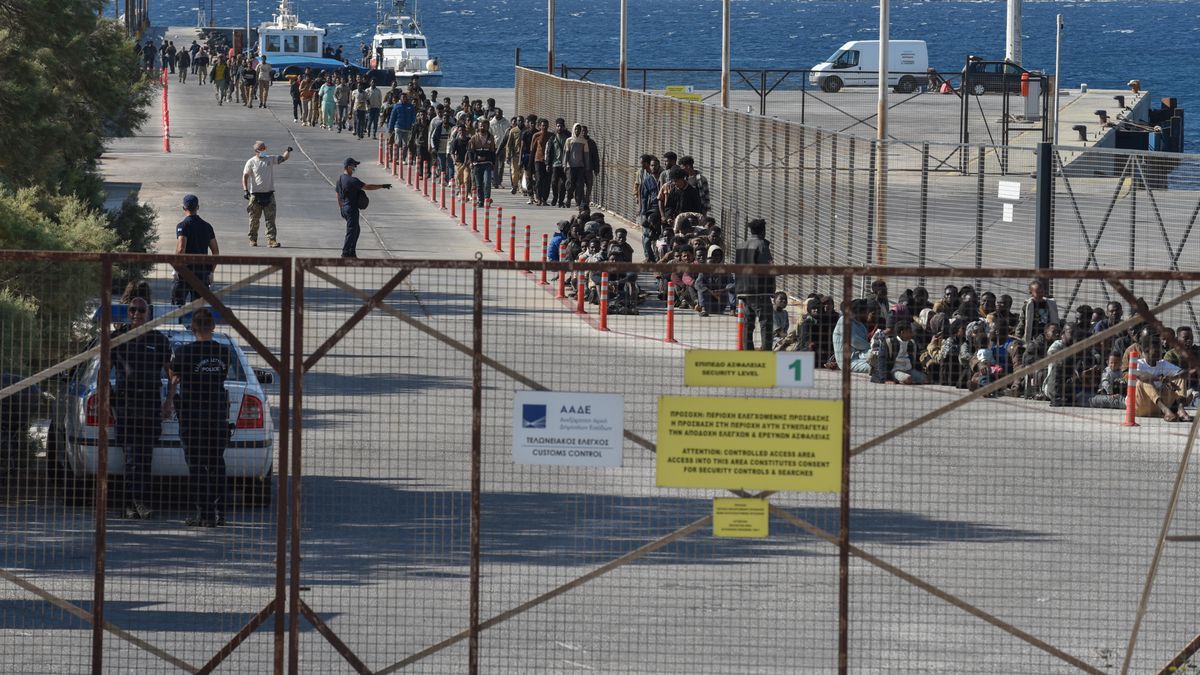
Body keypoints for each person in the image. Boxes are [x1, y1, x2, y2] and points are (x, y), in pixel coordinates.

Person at [165, 308, 231, 527]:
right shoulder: (224, 352)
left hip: (193, 416)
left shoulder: (185, 352)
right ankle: (220, 512)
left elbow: (173, 376)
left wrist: (171, 395)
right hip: (217, 415)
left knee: (197, 465)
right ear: (213, 327)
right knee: (216, 464)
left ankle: (204, 514)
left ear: (192, 328)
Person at [111, 297, 171, 520]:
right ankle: (134, 503)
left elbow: (171, 373)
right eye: (132, 310)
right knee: (131, 456)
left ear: (149, 313)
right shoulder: (118, 337)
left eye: (141, 310)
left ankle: (135, 502)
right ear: (128, 313)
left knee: (144, 457)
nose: (136, 314)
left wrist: (169, 401)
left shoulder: (159, 339)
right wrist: (107, 400)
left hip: (150, 405)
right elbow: (103, 370)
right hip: (126, 404)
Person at [335, 158, 391, 258]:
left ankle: (352, 251)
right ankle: (345, 252)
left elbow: (338, 195)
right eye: (354, 166)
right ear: (348, 167)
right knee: (351, 231)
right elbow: (367, 187)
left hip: (344, 208)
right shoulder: (352, 180)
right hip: (352, 209)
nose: (355, 168)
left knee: (356, 230)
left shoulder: (340, 179)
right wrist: (382, 186)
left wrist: (342, 208)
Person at [734, 218, 776, 350]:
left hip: (743, 290)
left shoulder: (741, 245)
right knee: (766, 323)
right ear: (763, 231)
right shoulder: (762, 245)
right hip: (760, 290)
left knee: (748, 323)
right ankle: (767, 351)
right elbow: (767, 268)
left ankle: (748, 352)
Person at [242, 141, 292, 248]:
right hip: (255, 196)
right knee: (254, 219)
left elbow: (283, 158)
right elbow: (245, 176)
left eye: (265, 148)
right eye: (262, 149)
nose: (264, 151)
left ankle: (271, 240)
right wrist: (245, 190)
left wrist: (288, 151)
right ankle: (252, 239)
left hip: (269, 195)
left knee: (270, 219)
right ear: (256, 151)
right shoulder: (251, 162)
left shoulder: (270, 159)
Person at [1132, 333, 1192, 421]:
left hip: (1157, 408)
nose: (1161, 352)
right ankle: (1166, 411)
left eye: (1161, 349)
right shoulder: (1138, 363)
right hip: (1141, 407)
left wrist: (1170, 379)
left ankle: (1180, 409)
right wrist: (1161, 379)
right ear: (1146, 350)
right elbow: (1140, 376)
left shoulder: (1162, 363)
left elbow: (1183, 373)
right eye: (1157, 350)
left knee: (1180, 379)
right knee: (1144, 381)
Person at [171, 195, 219, 305]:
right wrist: (211, 271)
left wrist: (176, 268)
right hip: (202, 272)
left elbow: (181, 249)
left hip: (185, 271)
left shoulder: (183, 226)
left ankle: (181, 322)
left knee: (177, 306)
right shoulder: (207, 227)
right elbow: (215, 252)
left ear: (184, 208)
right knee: (198, 308)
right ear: (198, 207)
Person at [467, 120, 497, 205]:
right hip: (477, 164)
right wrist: (471, 162)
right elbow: (470, 151)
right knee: (479, 184)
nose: (482, 127)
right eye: (481, 126)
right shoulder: (474, 138)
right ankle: (480, 200)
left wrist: (493, 163)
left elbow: (492, 151)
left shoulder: (490, 137)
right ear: (478, 127)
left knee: (487, 182)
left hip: (487, 163)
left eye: (484, 126)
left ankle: (487, 199)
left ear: (487, 127)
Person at [563, 124, 590, 211]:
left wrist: (587, 166)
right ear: (573, 130)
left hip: (580, 167)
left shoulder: (584, 141)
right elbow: (566, 153)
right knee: (570, 184)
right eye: (576, 129)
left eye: (579, 129)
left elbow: (586, 155)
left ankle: (578, 203)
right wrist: (564, 164)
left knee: (580, 186)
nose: (577, 131)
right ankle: (568, 199)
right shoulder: (569, 140)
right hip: (570, 167)